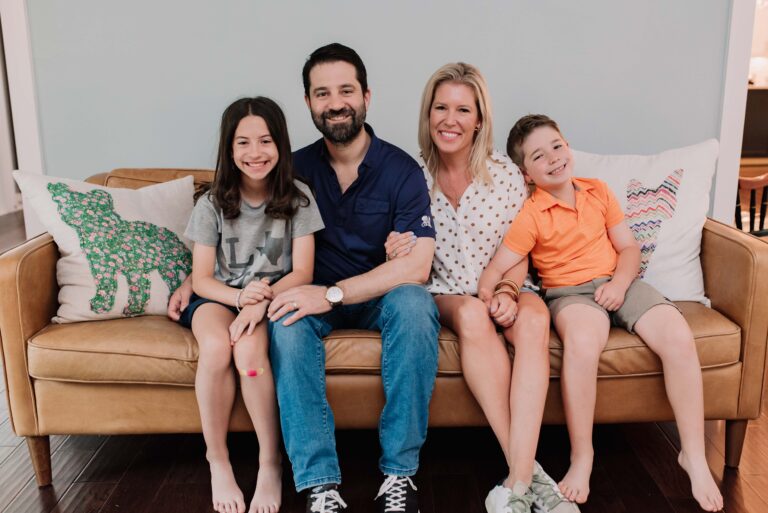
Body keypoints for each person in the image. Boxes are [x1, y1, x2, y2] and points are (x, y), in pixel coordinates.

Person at [477, 114, 724, 512]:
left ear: (567, 145)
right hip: (570, 295)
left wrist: (620, 286)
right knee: (584, 343)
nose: (554, 159)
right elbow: (497, 265)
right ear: (526, 174)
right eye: (540, 156)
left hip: (618, 282)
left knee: (678, 335)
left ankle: (692, 453)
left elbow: (628, 249)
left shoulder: (598, 192)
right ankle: (583, 457)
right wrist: (490, 294)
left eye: (557, 146)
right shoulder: (531, 214)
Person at [385, 63, 578, 513]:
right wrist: (393, 247)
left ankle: (519, 480)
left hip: (509, 283)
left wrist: (509, 292)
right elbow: (403, 251)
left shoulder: (507, 175)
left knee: (535, 319)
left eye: (462, 110)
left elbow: (520, 249)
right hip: (447, 291)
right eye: (441, 108)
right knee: (473, 314)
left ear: (479, 119)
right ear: (427, 113)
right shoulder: (408, 175)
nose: (450, 120)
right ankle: (528, 475)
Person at [263, 43, 440, 513]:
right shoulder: (292, 168)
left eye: (346, 90)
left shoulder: (402, 169)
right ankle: (320, 485)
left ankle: (399, 475)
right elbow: (239, 228)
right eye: (322, 93)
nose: (335, 102)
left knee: (416, 303)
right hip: (310, 297)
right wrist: (191, 277)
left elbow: (417, 266)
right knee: (284, 320)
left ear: (366, 95)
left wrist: (334, 293)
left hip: (376, 297)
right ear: (308, 103)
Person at [178, 96, 324, 513]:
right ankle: (217, 461)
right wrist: (241, 298)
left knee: (250, 355)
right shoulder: (211, 204)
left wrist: (259, 304)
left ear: (280, 144)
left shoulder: (299, 198)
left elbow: (303, 273)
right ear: (229, 149)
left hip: (266, 302)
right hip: (218, 298)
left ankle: (268, 463)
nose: (255, 153)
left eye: (265, 141)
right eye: (243, 143)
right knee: (217, 348)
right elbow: (203, 278)